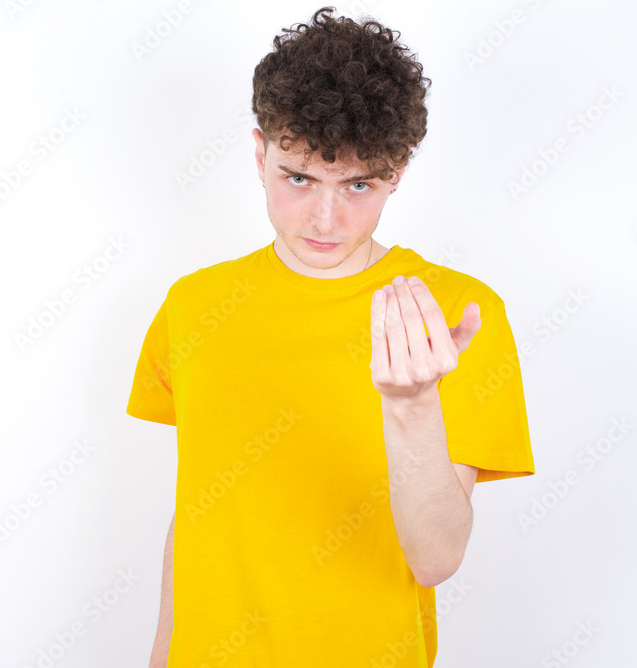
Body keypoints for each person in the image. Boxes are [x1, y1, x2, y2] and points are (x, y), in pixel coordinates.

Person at [126, 6, 535, 667]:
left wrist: (411, 406)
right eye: (298, 177)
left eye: (359, 185)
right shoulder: (193, 305)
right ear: (260, 154)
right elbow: (202, 513)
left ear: (396, 173)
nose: (325, 216)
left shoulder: (455, 313)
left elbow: (436, 558)